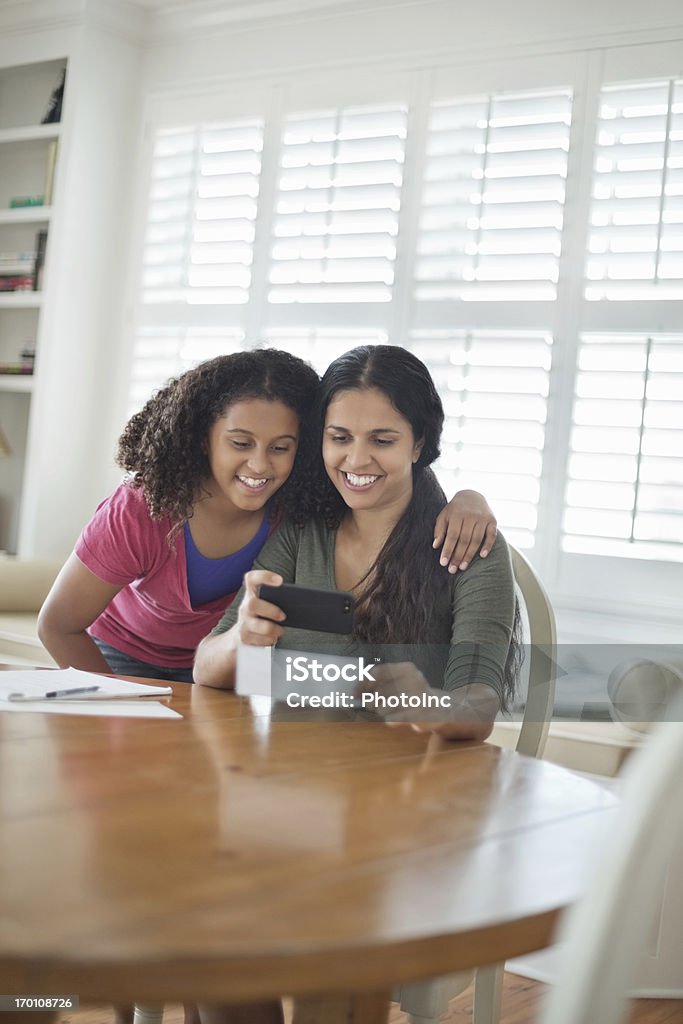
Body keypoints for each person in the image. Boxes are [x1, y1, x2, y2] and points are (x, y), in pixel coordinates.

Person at [38, 349, 498, 686]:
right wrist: (112, 702)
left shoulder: (294, 502)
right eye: (240, 444)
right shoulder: (146, 509)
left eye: (281, 448)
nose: (260, 466)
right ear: (203, 439)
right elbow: (58, 624)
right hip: (125, 659)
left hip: (228, 670)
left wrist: (467, 497)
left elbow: (392, 481)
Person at [194, 346, 521, 741]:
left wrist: (428, 702)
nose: (356, 459)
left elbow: (477, 707)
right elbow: (206, 668)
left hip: (410, 784)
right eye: (340, 438)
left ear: (418, 445)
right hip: (299, 777)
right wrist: (241, 635)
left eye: (382, 441)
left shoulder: (469, 548)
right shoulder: (302, 533)